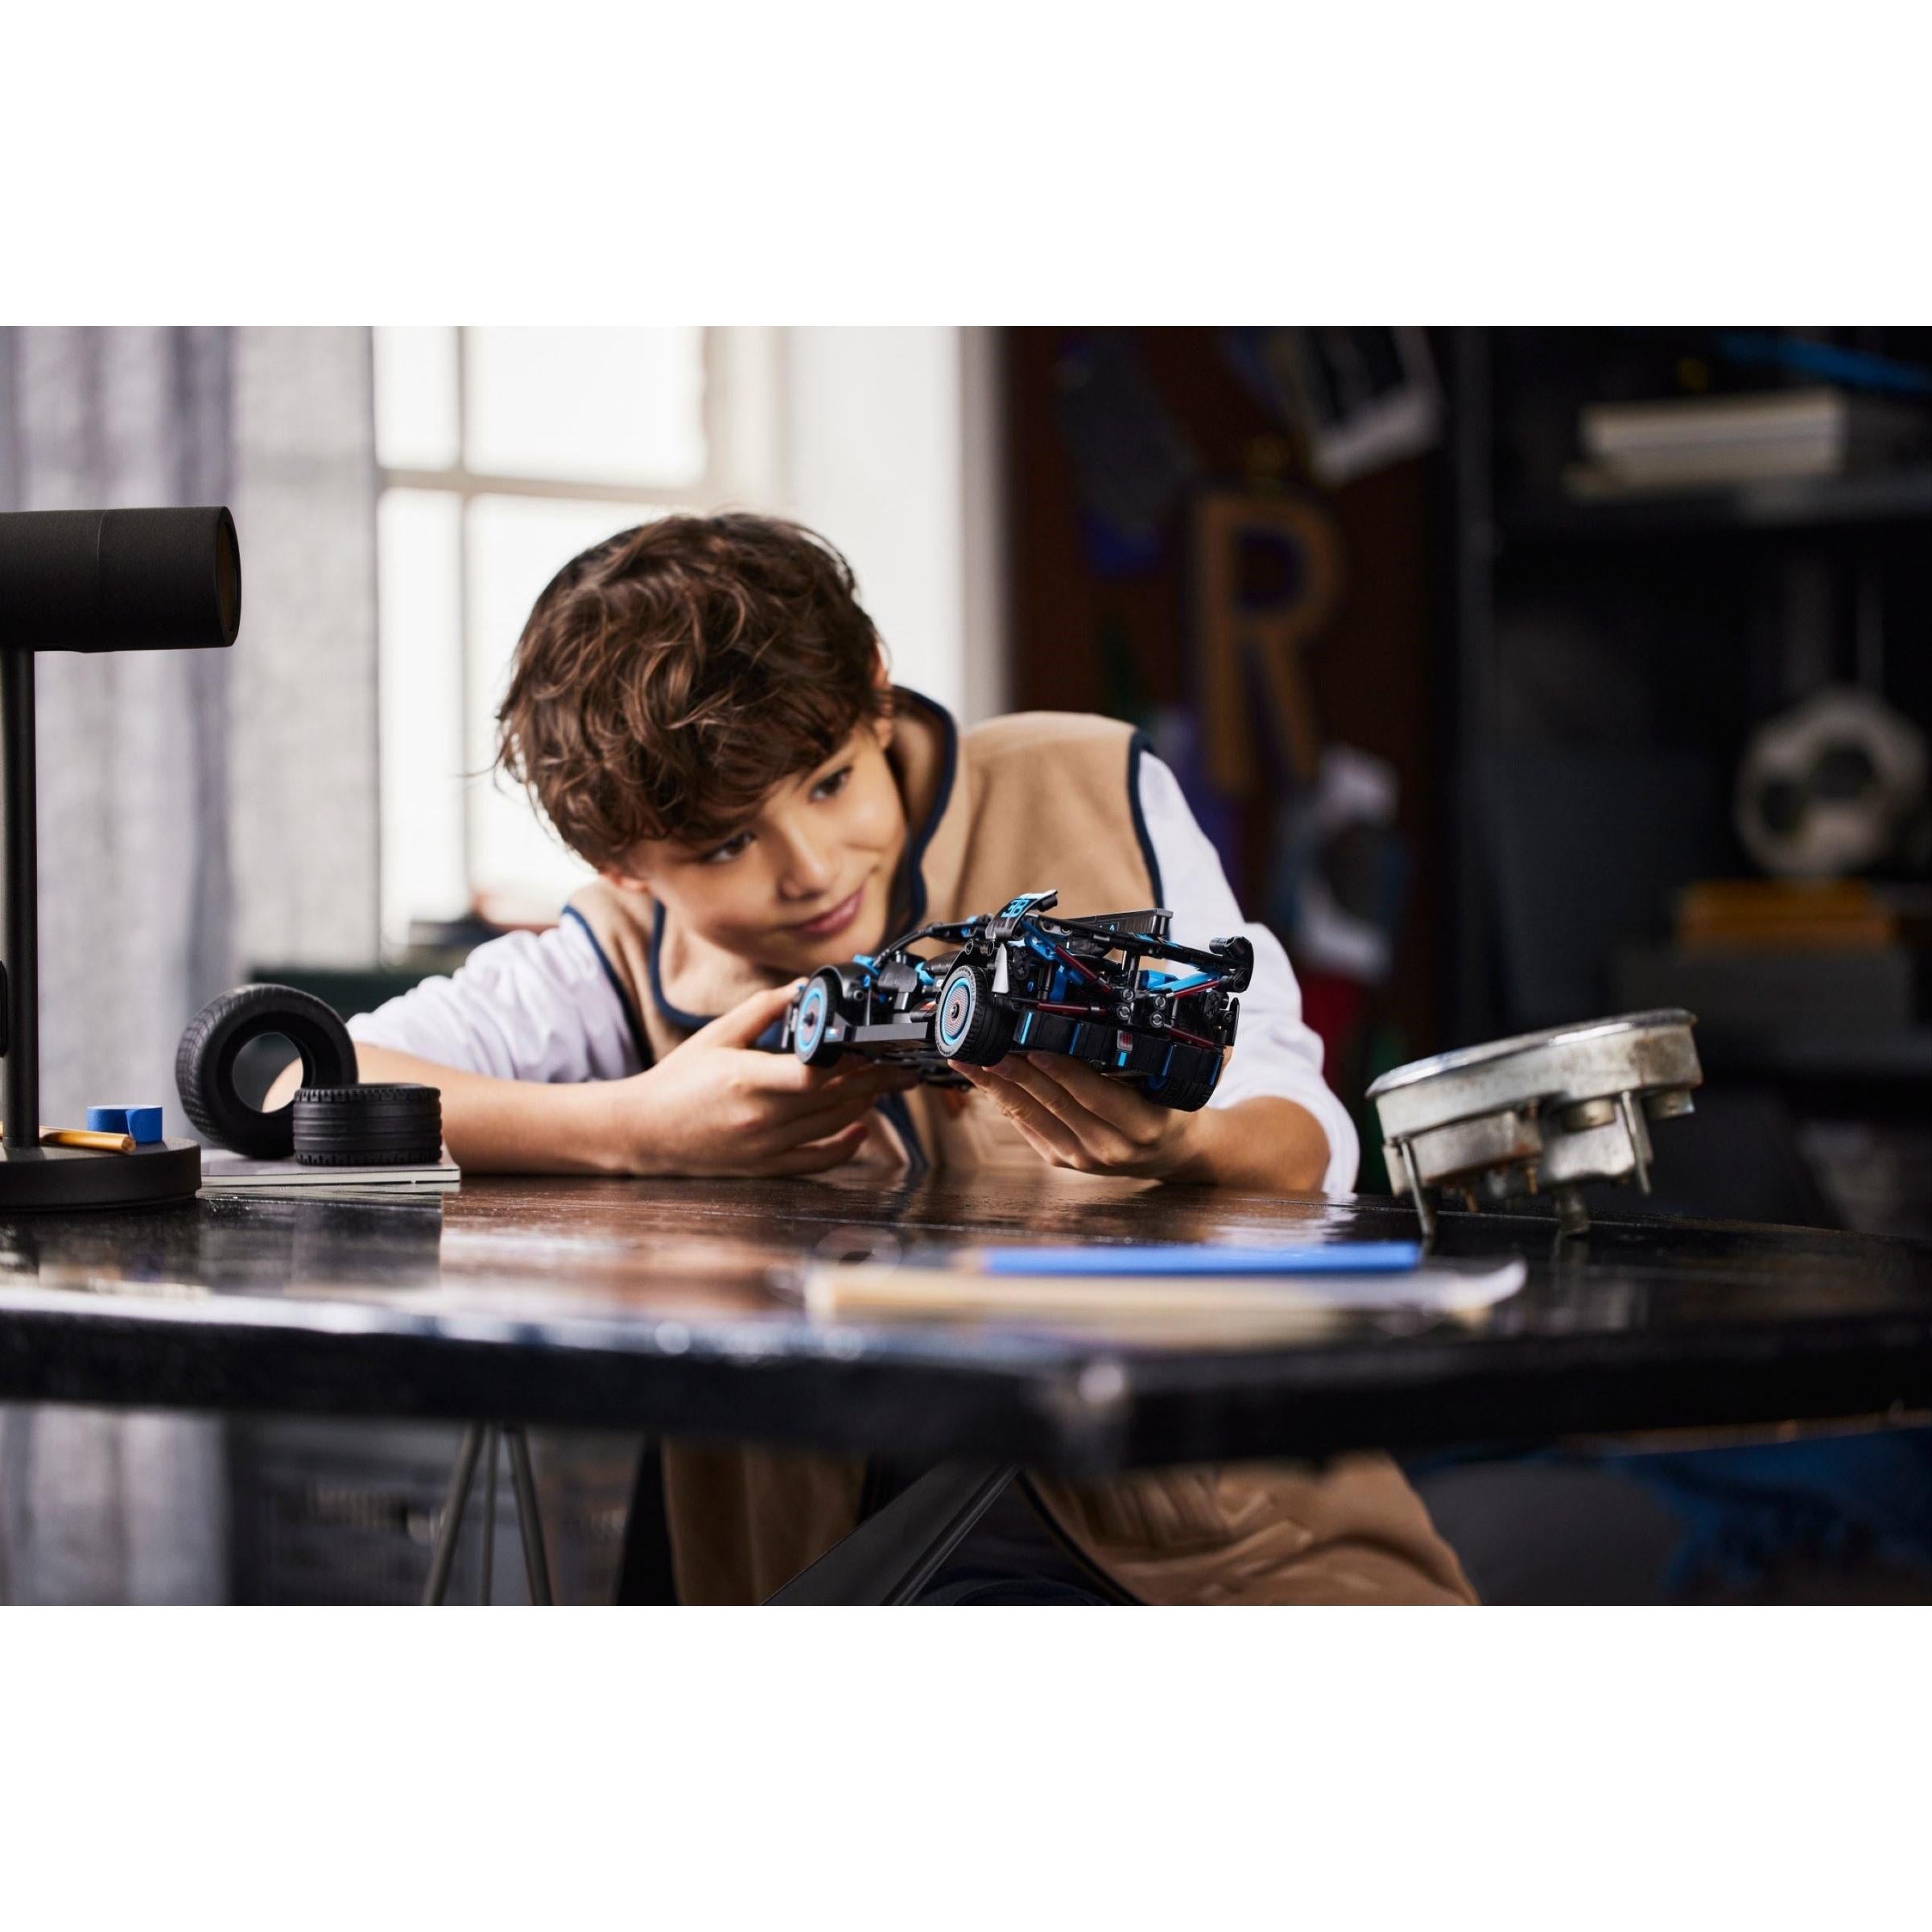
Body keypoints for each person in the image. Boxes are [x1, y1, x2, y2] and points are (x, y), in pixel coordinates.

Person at [344, 512, 1474, 1606]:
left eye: (830, 780)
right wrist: (636, 1129)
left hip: (1214, 1544)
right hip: (829, 1565)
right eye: (726, 844)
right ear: (623, 866)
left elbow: (1303, 1136)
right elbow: (308, 1079)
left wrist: (1190, 1146)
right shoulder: (616, 954)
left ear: (875, 692)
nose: (810, 868)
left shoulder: (1091, 785)